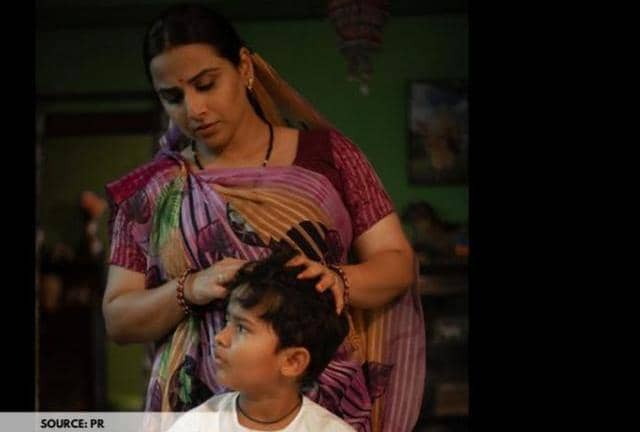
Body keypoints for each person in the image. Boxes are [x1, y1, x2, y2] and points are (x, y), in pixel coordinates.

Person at [102, 3, 425, 431]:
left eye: (206, 84)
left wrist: (338, 279)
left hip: (320, 401)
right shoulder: (152, 190)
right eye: (173, 97)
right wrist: (190, 288)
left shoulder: (329, 157)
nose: (194, 109)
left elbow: (397, 262)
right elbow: (118, 317)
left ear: (244, 68)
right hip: (197, 406)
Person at [167, 247, 354, 432]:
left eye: (242, 328)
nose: (220, 337)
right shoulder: (196, 425)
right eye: (227, 321)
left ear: (292, 361)